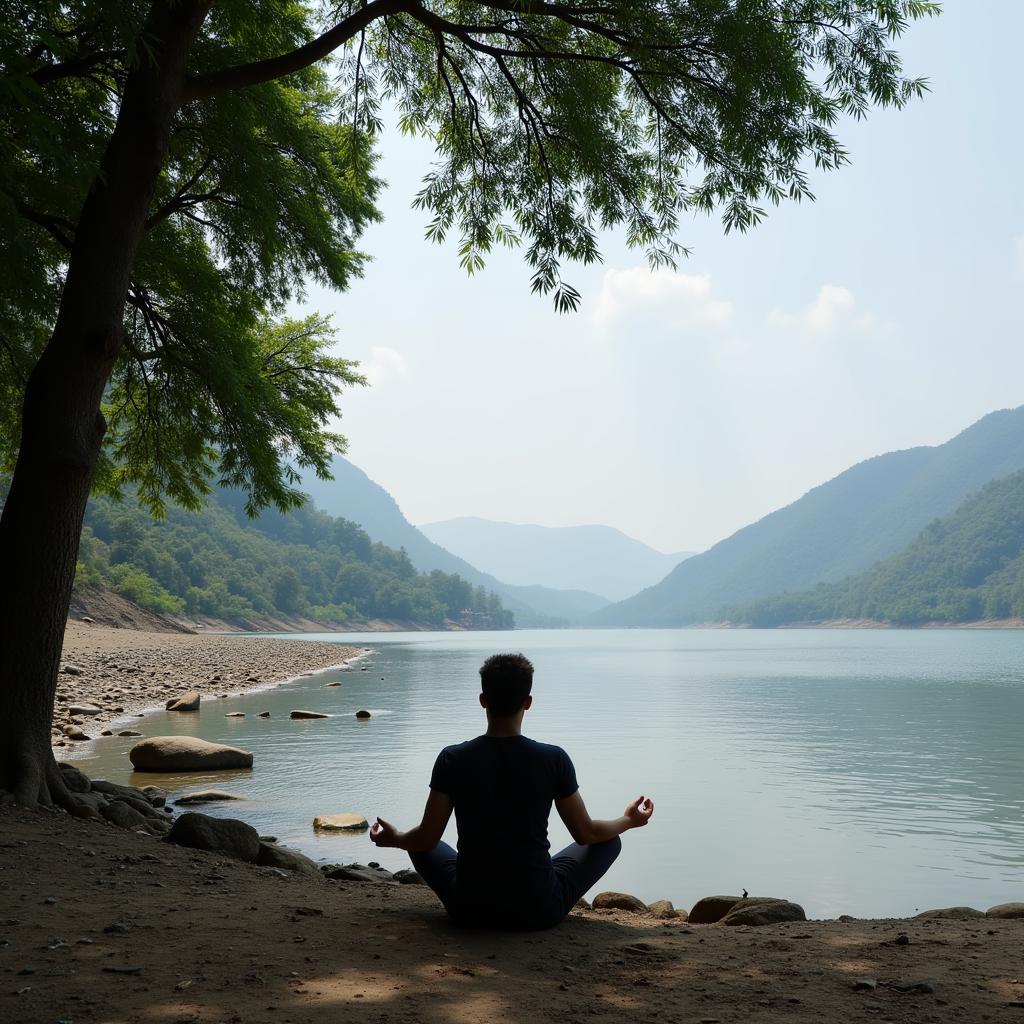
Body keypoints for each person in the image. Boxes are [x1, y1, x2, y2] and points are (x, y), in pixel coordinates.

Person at [369, 652, 654, 929]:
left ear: (483, 701)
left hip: (469, 910)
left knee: (417, 842)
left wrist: (396, 839)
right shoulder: (553, 759)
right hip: (538, 909)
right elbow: (586, 834)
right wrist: (629, 820)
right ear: (528, 702)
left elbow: (427, 838)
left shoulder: (452, 759)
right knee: (609, 840)